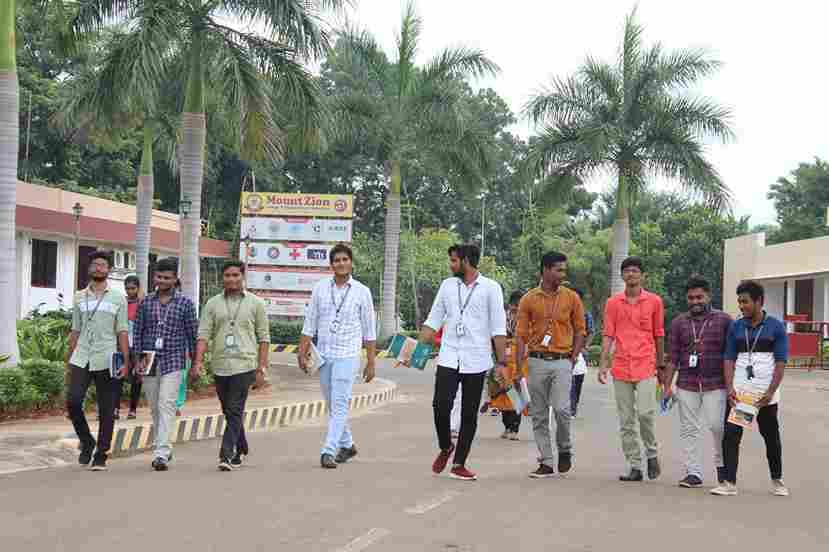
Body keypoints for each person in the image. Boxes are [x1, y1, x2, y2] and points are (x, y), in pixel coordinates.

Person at [418, 243, 508, 481]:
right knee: (441, 404)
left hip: (477, 358)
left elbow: (498, 328)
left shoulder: (491, 288)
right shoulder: (448, 286)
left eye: (454, 260)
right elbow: (434, 318)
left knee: (469, 413)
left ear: (467, 260)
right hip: (449, 355)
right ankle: (446, 446)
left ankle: (459, 463)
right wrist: (413, 351)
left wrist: (502, 363)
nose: (451, 265)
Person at [298, 243, 377, 469]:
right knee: (333, 404)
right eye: (336, 260)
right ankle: (348, 445)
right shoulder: (321, 288)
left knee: (340, 402)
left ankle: (328, 450)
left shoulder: (362, 291)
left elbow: (369, 330)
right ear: (331, 264)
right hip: (324, 354)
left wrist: (371, 362)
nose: (341, 264)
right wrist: (302, 351)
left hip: (348, 354)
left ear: (351, 262)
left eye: (345, 259)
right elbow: (310, 322)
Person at [711, 280, 789, 497]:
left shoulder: (775, 326)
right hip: (742, 393)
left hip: (765, 396)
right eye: (739, 302)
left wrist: (770, 392)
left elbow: (781, 361)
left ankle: (777, 480)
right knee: (732, 435)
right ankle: (729, 483)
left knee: (770, 436)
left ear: (759, 301)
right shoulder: (736, 327)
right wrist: (730, 388)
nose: (741, 306)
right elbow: (728, 359)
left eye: (745, 301)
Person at [193, 261, 270, 471]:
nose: (231, 279)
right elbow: (203, 335)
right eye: (227, 275)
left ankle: (226, 454)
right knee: (228, 410)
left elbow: (264, 338)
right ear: (223, 278)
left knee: (235, 408)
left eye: (235, 275)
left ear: (243, 277)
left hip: (245, 364)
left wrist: (261, 368)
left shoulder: (256, 304)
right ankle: (242, 445)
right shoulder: (212, 304)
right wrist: (198, 362)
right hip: (220, 365)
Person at [515, 252, 586, 478]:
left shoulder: (572, 297)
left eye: (564, 270)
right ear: (545, 270)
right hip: (536, 361)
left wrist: (573, 356)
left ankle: (564, 448)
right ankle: (546, 460)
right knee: (538, 414)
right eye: (558, 270)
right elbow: (520, 336)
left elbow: (580, 330)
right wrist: (518, 369)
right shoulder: (528, 299)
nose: (562, 274)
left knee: (563, 409)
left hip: (562, 361)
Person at [598, 256, 665, 482]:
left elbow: (659, 334)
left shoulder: (655, 301)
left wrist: (661, 364)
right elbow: (608, 334)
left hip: (646, 364)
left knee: (645, 413)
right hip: (621, 366)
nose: (631, 274)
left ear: (642, 275)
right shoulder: (613, 303)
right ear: (622, 275)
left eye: (635, 270)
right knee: (626, 419)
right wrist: (603, 363)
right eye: (627, 271)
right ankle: (635, 465)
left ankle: (652, 454)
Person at [663, 275, 732, 489]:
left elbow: (731, 355)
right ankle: (693, 472)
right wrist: (667, 386)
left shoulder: (724, 320)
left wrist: (732, 386)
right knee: (688, 429)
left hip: (716, 383)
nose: (695, 301)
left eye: (699, 297)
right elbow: (673, 357)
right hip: (687, 384)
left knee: (717, 427)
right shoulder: (678, 323)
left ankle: (722, 466)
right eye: (691, 298)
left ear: (708, 296)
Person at [65, 251, 130, 471]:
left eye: (103, 265)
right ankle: (86, 441)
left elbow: (122, 331)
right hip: (82, 356)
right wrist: (70, 359)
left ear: (109, 270)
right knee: (73, 401)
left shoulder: (118, 297)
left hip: (107, 356)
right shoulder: (79, 296)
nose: (98, 268)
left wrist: (125, 361)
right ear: (90, 268)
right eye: (95, 264)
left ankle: (101, 453)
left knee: (106, 408)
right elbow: (75, 330)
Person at [132, 258, 198, 471]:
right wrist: (136, 361)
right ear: (154, 277)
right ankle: (166, 447)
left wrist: (196, 362)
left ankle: (160, 453)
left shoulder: (185, 304)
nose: (162, 280)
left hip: (174, 360)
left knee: (166, 404)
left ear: (175, 279)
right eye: (159, 277)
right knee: (154, 407)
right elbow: (138, 332)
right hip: (148, 361)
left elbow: (192, 335)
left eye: (167, 277)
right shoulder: (145, 303)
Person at [484, 290, 527, 440]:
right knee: (501, 395)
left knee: (516, 395)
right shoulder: (501, 317)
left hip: (518, 361)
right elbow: (495, 337)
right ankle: (507, 426)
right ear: (511, 304)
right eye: (516, 306)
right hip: (502, 360)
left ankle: (514, 428)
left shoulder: (526, 318)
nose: (518, 309)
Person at [113, 274, 143, 420]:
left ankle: (132, 409)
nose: (130, 291)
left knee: (137, 378)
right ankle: (116, 409)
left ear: (138, 288)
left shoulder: (143, 304)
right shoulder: (121, 303)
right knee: (118, 377)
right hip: (121, 344)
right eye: (127, 288)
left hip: (138, 345)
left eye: (133, 288)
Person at [570, 288, 594, 418]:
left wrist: (586, 346)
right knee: (569, 381)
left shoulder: (586, 314)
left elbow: (590, 332)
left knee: (578, 380)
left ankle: (574, 403)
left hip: (581, 351)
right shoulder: (564, 311)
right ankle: (570, 408)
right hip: (566, 350)